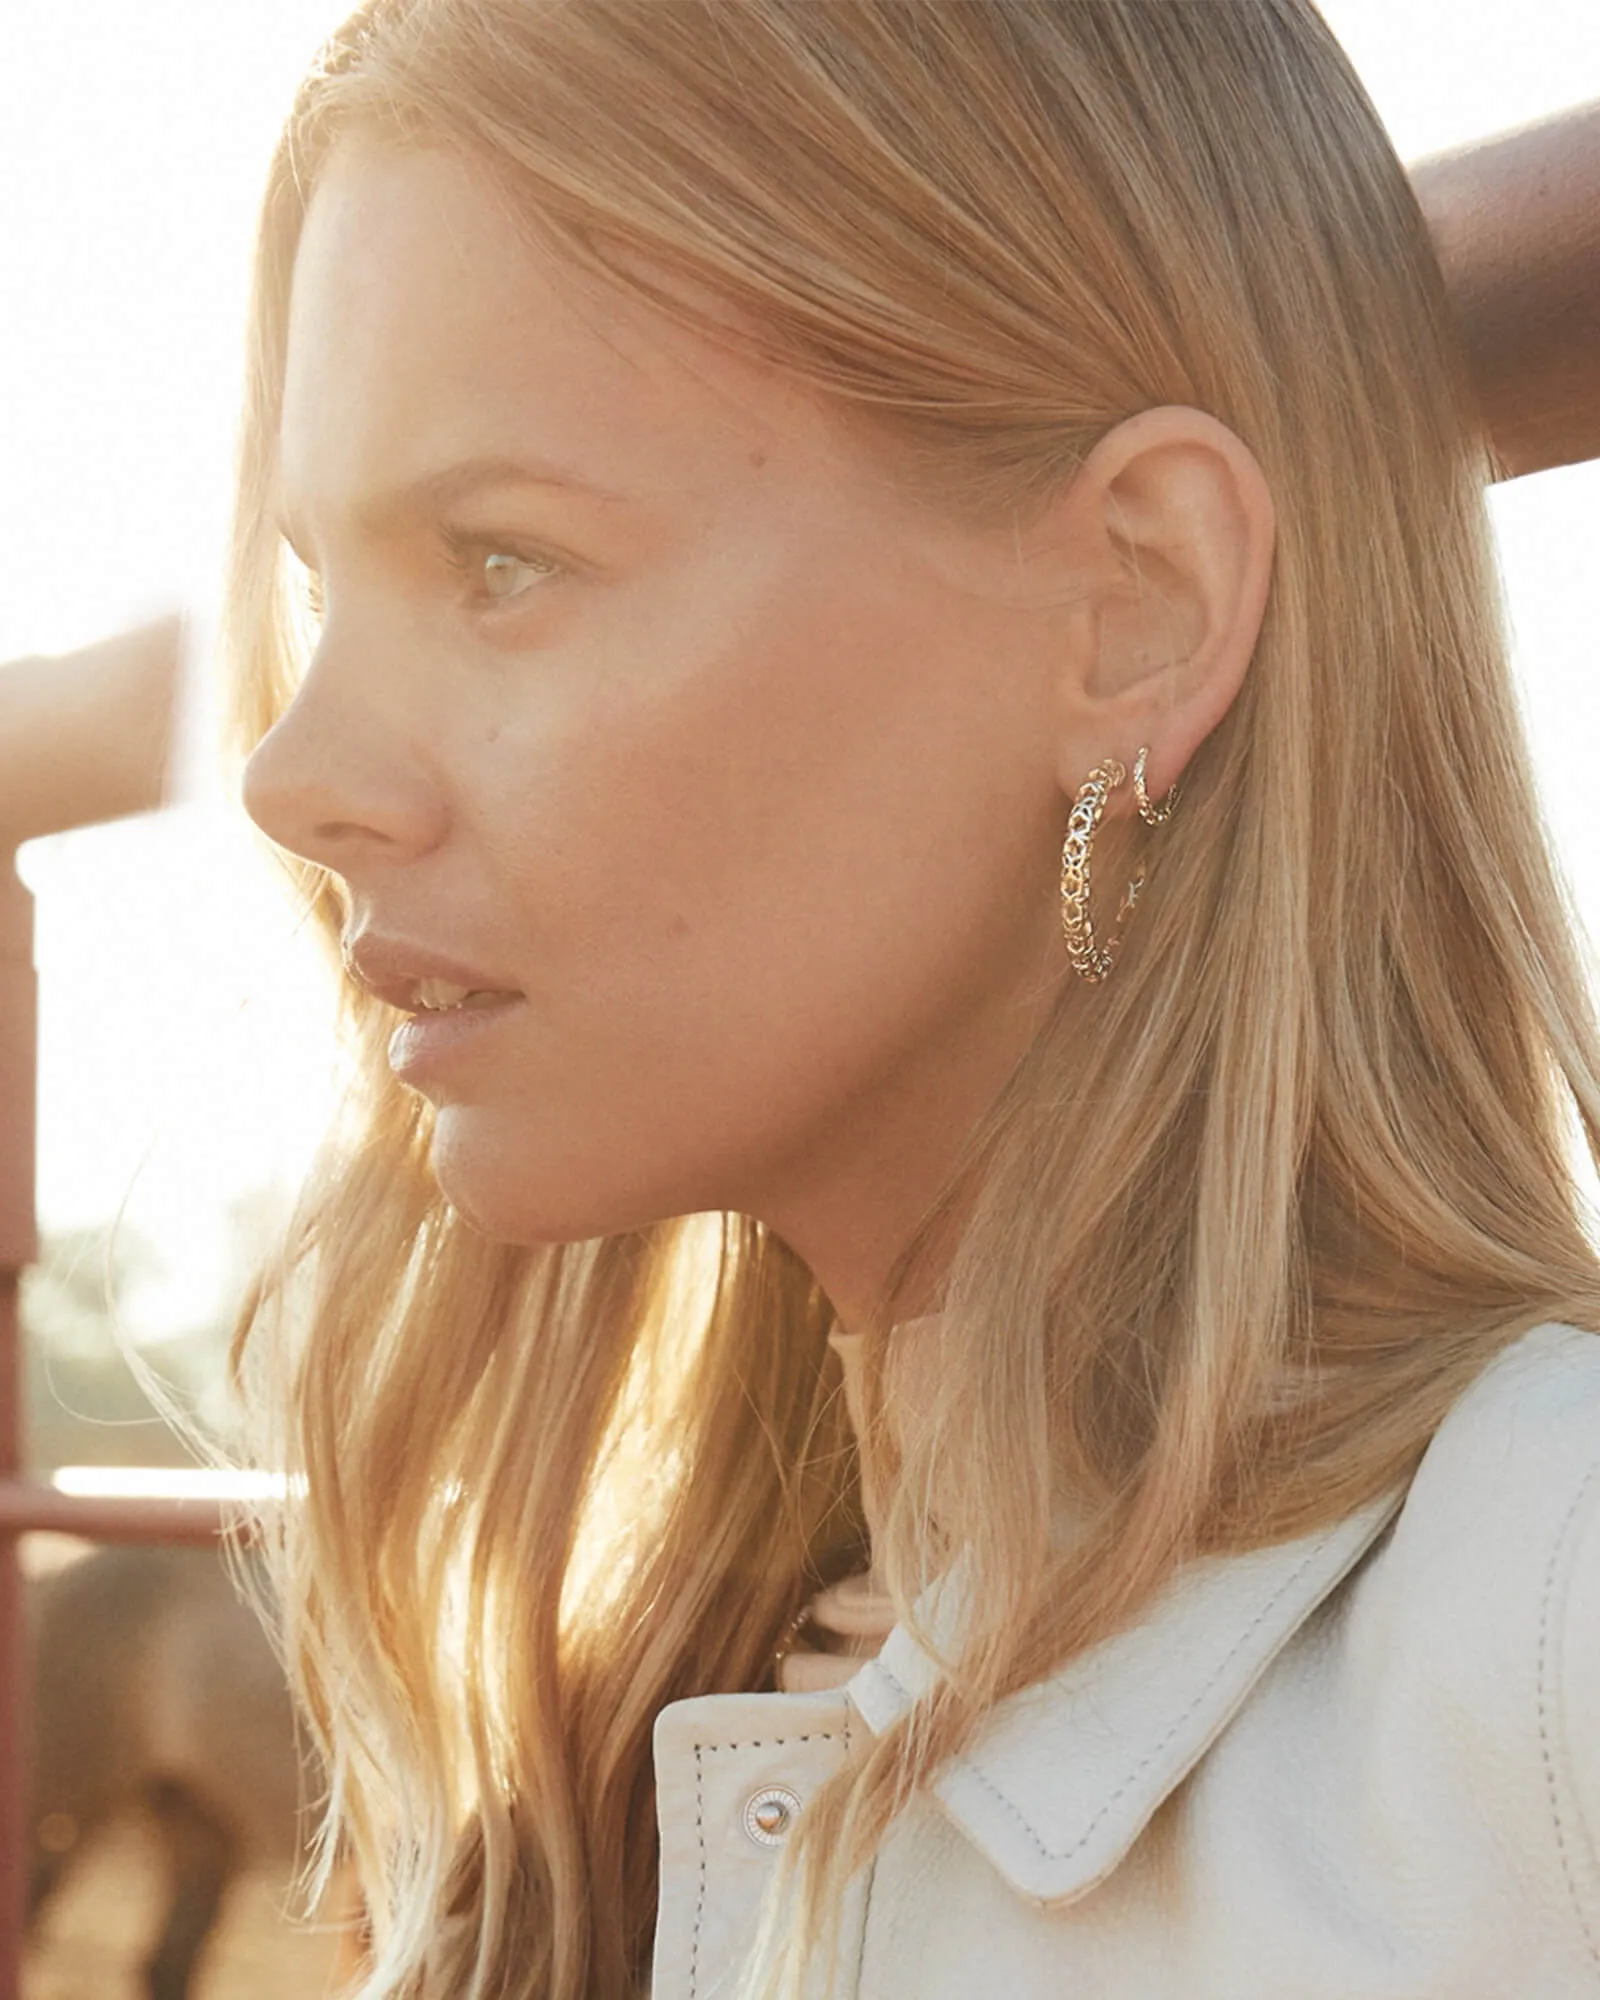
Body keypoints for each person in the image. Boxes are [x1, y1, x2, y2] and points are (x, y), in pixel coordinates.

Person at [224, 3, 1600, 1995]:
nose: (294, 774)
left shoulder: (1542, 1626)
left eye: (502, 561)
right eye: (326, 586)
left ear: (1135, 600)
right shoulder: (616, 1743)